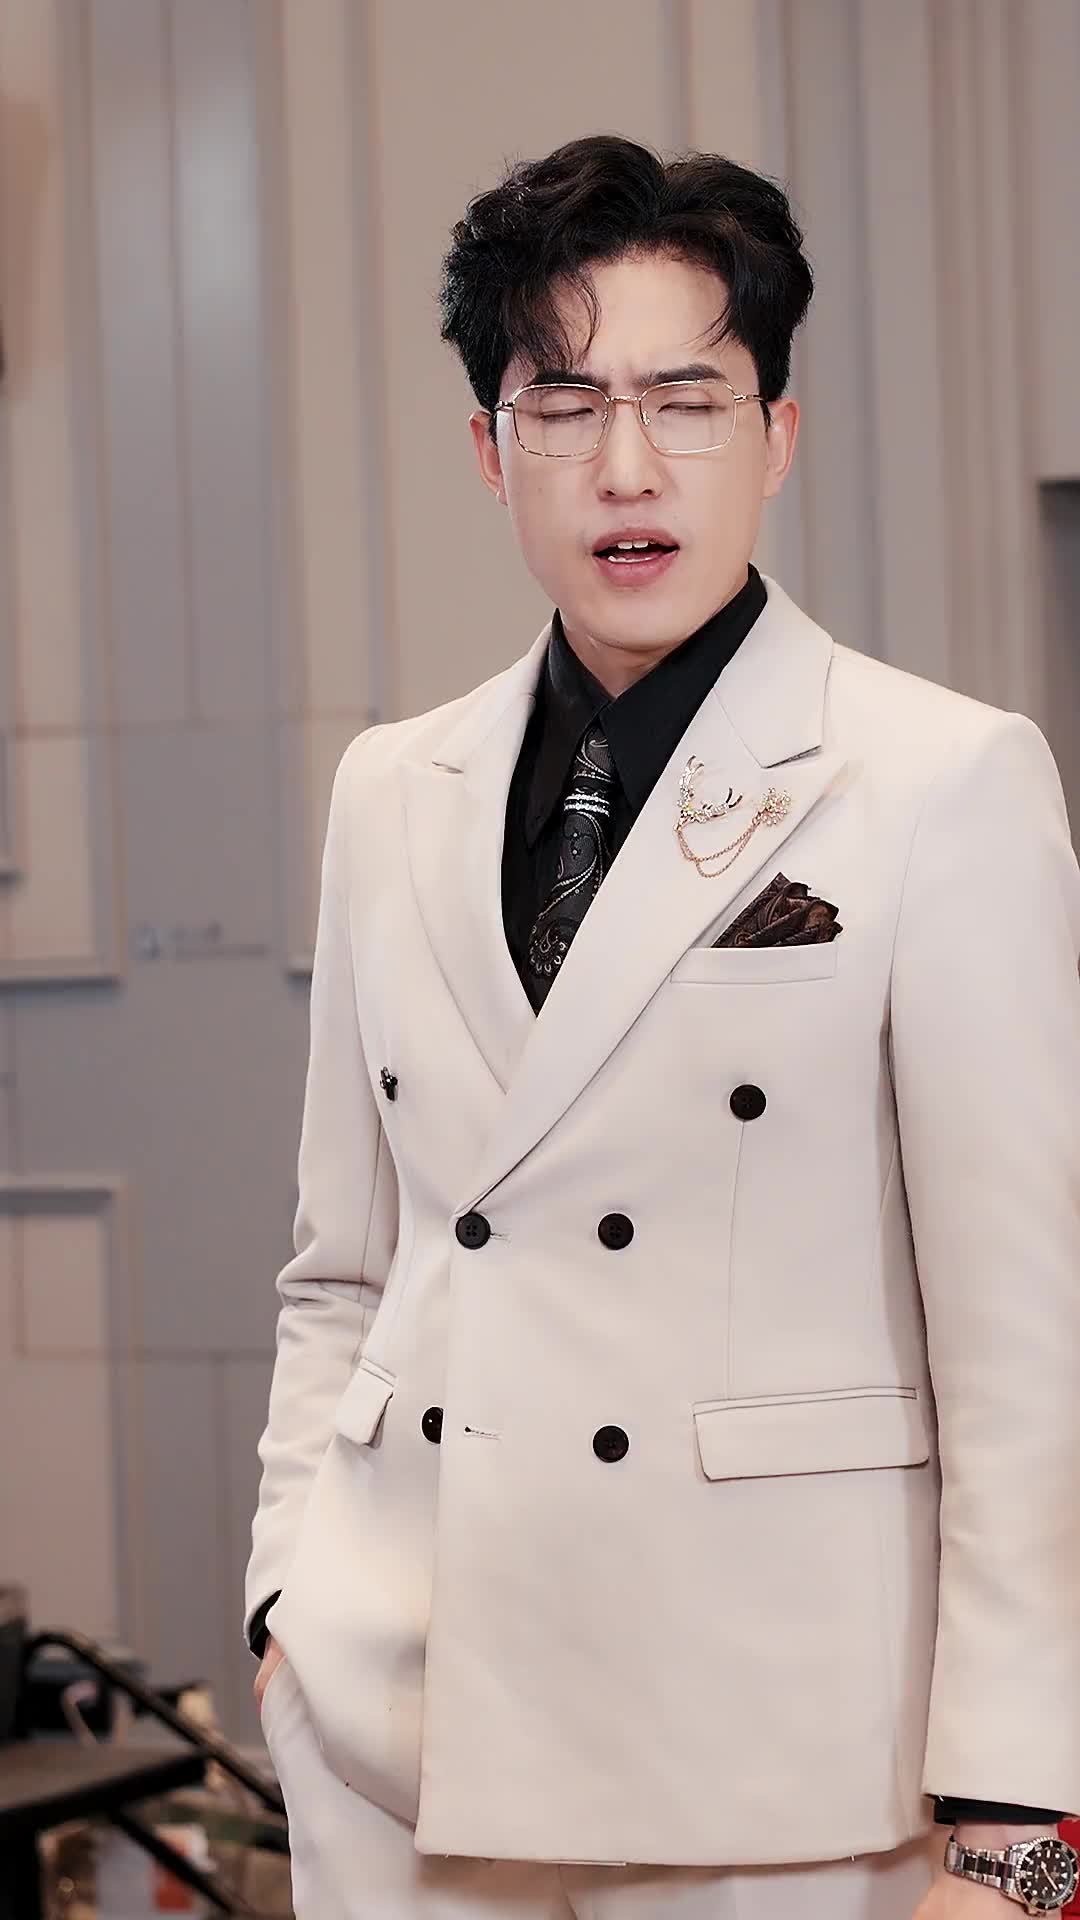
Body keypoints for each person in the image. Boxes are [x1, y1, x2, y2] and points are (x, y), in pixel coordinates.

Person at [244, 135, 1080, 1919]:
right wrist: (283, 1613)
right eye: (564, 407)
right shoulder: (393, 789)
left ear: (777, 434)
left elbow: (1030, 1357)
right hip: (404, 1735)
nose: (627, 469)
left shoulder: (939, 780)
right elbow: (342, 1270)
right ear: (492, 452)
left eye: (687, 402)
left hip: (774, 1769)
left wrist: (1022, 1834)